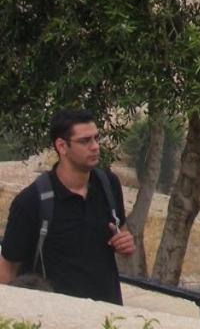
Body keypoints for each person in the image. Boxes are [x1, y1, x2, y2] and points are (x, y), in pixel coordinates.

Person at [0, 108, 135, 304]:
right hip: (57, 315)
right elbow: (8, 268)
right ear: (62, 146)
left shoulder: (108, 184)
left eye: (96, 138)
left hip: (107, 314)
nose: (95, 147)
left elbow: (120, 230)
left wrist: (125, 244)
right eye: (85, 141)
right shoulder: (31, 201)